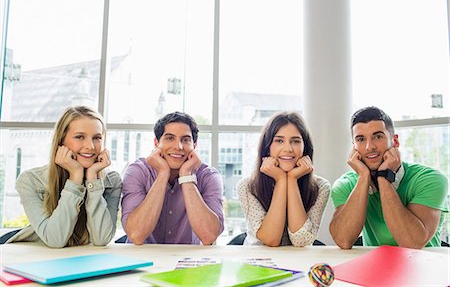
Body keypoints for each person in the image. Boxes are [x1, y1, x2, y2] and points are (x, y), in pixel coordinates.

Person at [330, 106, 449, 249]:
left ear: (395, 141)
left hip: (423, 266)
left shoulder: (431, 180)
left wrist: (383, 178)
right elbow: (343, 240)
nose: (369, 147)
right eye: (361, 139)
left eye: (378, 136)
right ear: (353, 147)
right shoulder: (346, 184)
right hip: (376, 268)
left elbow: (411, 243)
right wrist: (363, 177)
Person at [6, 106, 122, 247]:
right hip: (34, 256)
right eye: (80, 137)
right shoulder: (30, 181)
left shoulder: (112, 181)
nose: (91, 146)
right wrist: (75, 177)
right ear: (61, 141)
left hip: (82, 260)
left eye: (97, 138)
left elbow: (101, 239)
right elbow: (55, 240)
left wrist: (93, 180)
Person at [121, 112, 224, 245]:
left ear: (195, 145)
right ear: (156, 143)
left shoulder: (208, 176)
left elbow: (209, 236)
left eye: (185, 140)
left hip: (187, 261)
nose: (178, 147)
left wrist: (186, 175)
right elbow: (136, 235)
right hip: (141, 261)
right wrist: (163, 173)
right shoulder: (138, 171)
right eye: (170, 138)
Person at [237, 112, 330, 246]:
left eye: (295, 141)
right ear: (267, 147)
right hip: (258, 262)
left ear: (305, 148)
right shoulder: (247, 186)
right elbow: (271, 239)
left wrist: (291, 180)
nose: (288, 149)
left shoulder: (321, 187)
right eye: (279, 141)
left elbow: (301, 240)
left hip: (299, 263)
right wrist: (281, 180)